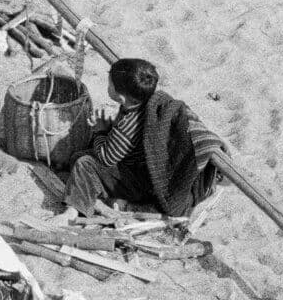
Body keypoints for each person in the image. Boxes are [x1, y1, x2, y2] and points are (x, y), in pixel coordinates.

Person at [62, 58, 221, 219]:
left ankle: (72, 212)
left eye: (109, 85)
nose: (107, 87)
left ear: (121, 97)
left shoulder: (128, 125)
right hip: (141, 172)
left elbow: (106, 158)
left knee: (83, 163)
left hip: (138, 181)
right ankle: (104, 198)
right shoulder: (145, 106)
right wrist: (110, 128)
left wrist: (100, 131)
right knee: (78, 157)